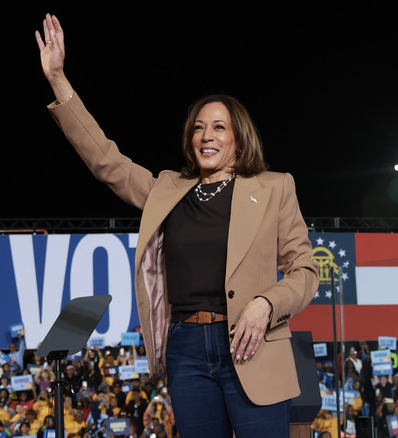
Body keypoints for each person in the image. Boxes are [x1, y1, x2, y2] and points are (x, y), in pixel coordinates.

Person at [35, 14, 319, 438]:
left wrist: (265, 303)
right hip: (185, 350)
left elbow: (305, 271)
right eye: (198, 127)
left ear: (238, 138)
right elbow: (105, 161)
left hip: (251, 345)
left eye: (219, 127)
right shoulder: (168, 189)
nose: (206, 135)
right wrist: (58, 79)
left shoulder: (274, 188)